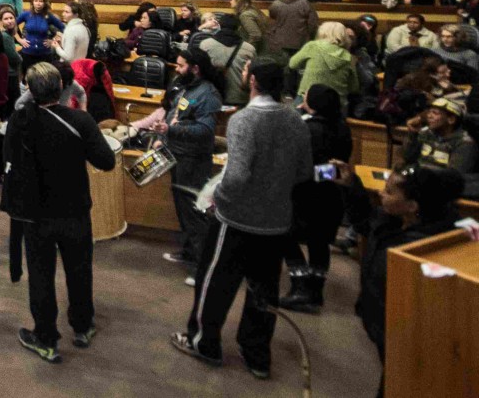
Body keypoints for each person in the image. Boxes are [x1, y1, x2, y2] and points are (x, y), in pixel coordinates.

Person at [171, 62, 311, 379]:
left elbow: (236, 177)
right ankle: (257, 355)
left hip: (236, 220)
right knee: (264, 290)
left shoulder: (244, 120)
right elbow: (304, 172)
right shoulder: (295, 119)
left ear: (253, 80)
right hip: (276, 221)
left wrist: (215, 198)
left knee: (215, 284)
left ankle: (203, 343)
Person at [2, 63, 116, 362]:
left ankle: (45, 338)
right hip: (74, 210)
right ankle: (82, 326)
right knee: (80, 271)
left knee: (41, 276)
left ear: (30, 90)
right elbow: (106, 161)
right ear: (62, 87)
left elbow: (8, 158)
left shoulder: (21, 120)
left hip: (35, 213)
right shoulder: (80, 120)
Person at [333, 162, 464, 390]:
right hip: (382, 325)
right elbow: (367, 224)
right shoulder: (394, 219)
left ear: (412, 206)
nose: (381, 193)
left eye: (389, 191)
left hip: (405, 335)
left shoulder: (423, 250)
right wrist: (352, 186)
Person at [131, 49, 221, 276]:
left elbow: (205, 130)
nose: (177, 69)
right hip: (176, 154)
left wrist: (171, 130)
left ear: (195, 68)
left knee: (194, 212)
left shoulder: (208, 94)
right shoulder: (186, 87)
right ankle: (190, 252)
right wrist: (163, 136)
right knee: (183, 208)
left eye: (181, 66)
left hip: (193, 160)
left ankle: (202, 268)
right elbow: (173, 116)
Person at [279, 85, 352, 312]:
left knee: (285, 236)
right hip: (332, 195)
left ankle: (300, 285)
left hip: (305, 195)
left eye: (307, 97)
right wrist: (327, 174)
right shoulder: (342, 127)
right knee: (319, 244)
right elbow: (337, 168)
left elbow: (301, 165)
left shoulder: (308, 129)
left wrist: (307, 176)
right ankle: (315, 291)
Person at [403, 97, 478, 196]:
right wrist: (413, 134)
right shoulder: (425, 133)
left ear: (451, 119)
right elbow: (408, 158)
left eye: (435, 113)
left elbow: (453, 178)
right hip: (417, 183)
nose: (429, 116)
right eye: (429, 112)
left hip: (441, 191)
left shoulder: (464, 143)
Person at [290, 21, 362, 114]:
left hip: (307, 98)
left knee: (292, 120)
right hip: (336, 103)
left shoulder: (313, 46)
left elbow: (292, 64)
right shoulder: (349, 57)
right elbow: (354, 87)